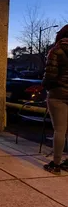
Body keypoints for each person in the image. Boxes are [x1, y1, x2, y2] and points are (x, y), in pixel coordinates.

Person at [42, 25, 68, 174]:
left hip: (58, 94)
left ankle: (56, 164)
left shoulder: (56, 50)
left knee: (59, 130)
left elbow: (50, 75)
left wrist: (47, 86)